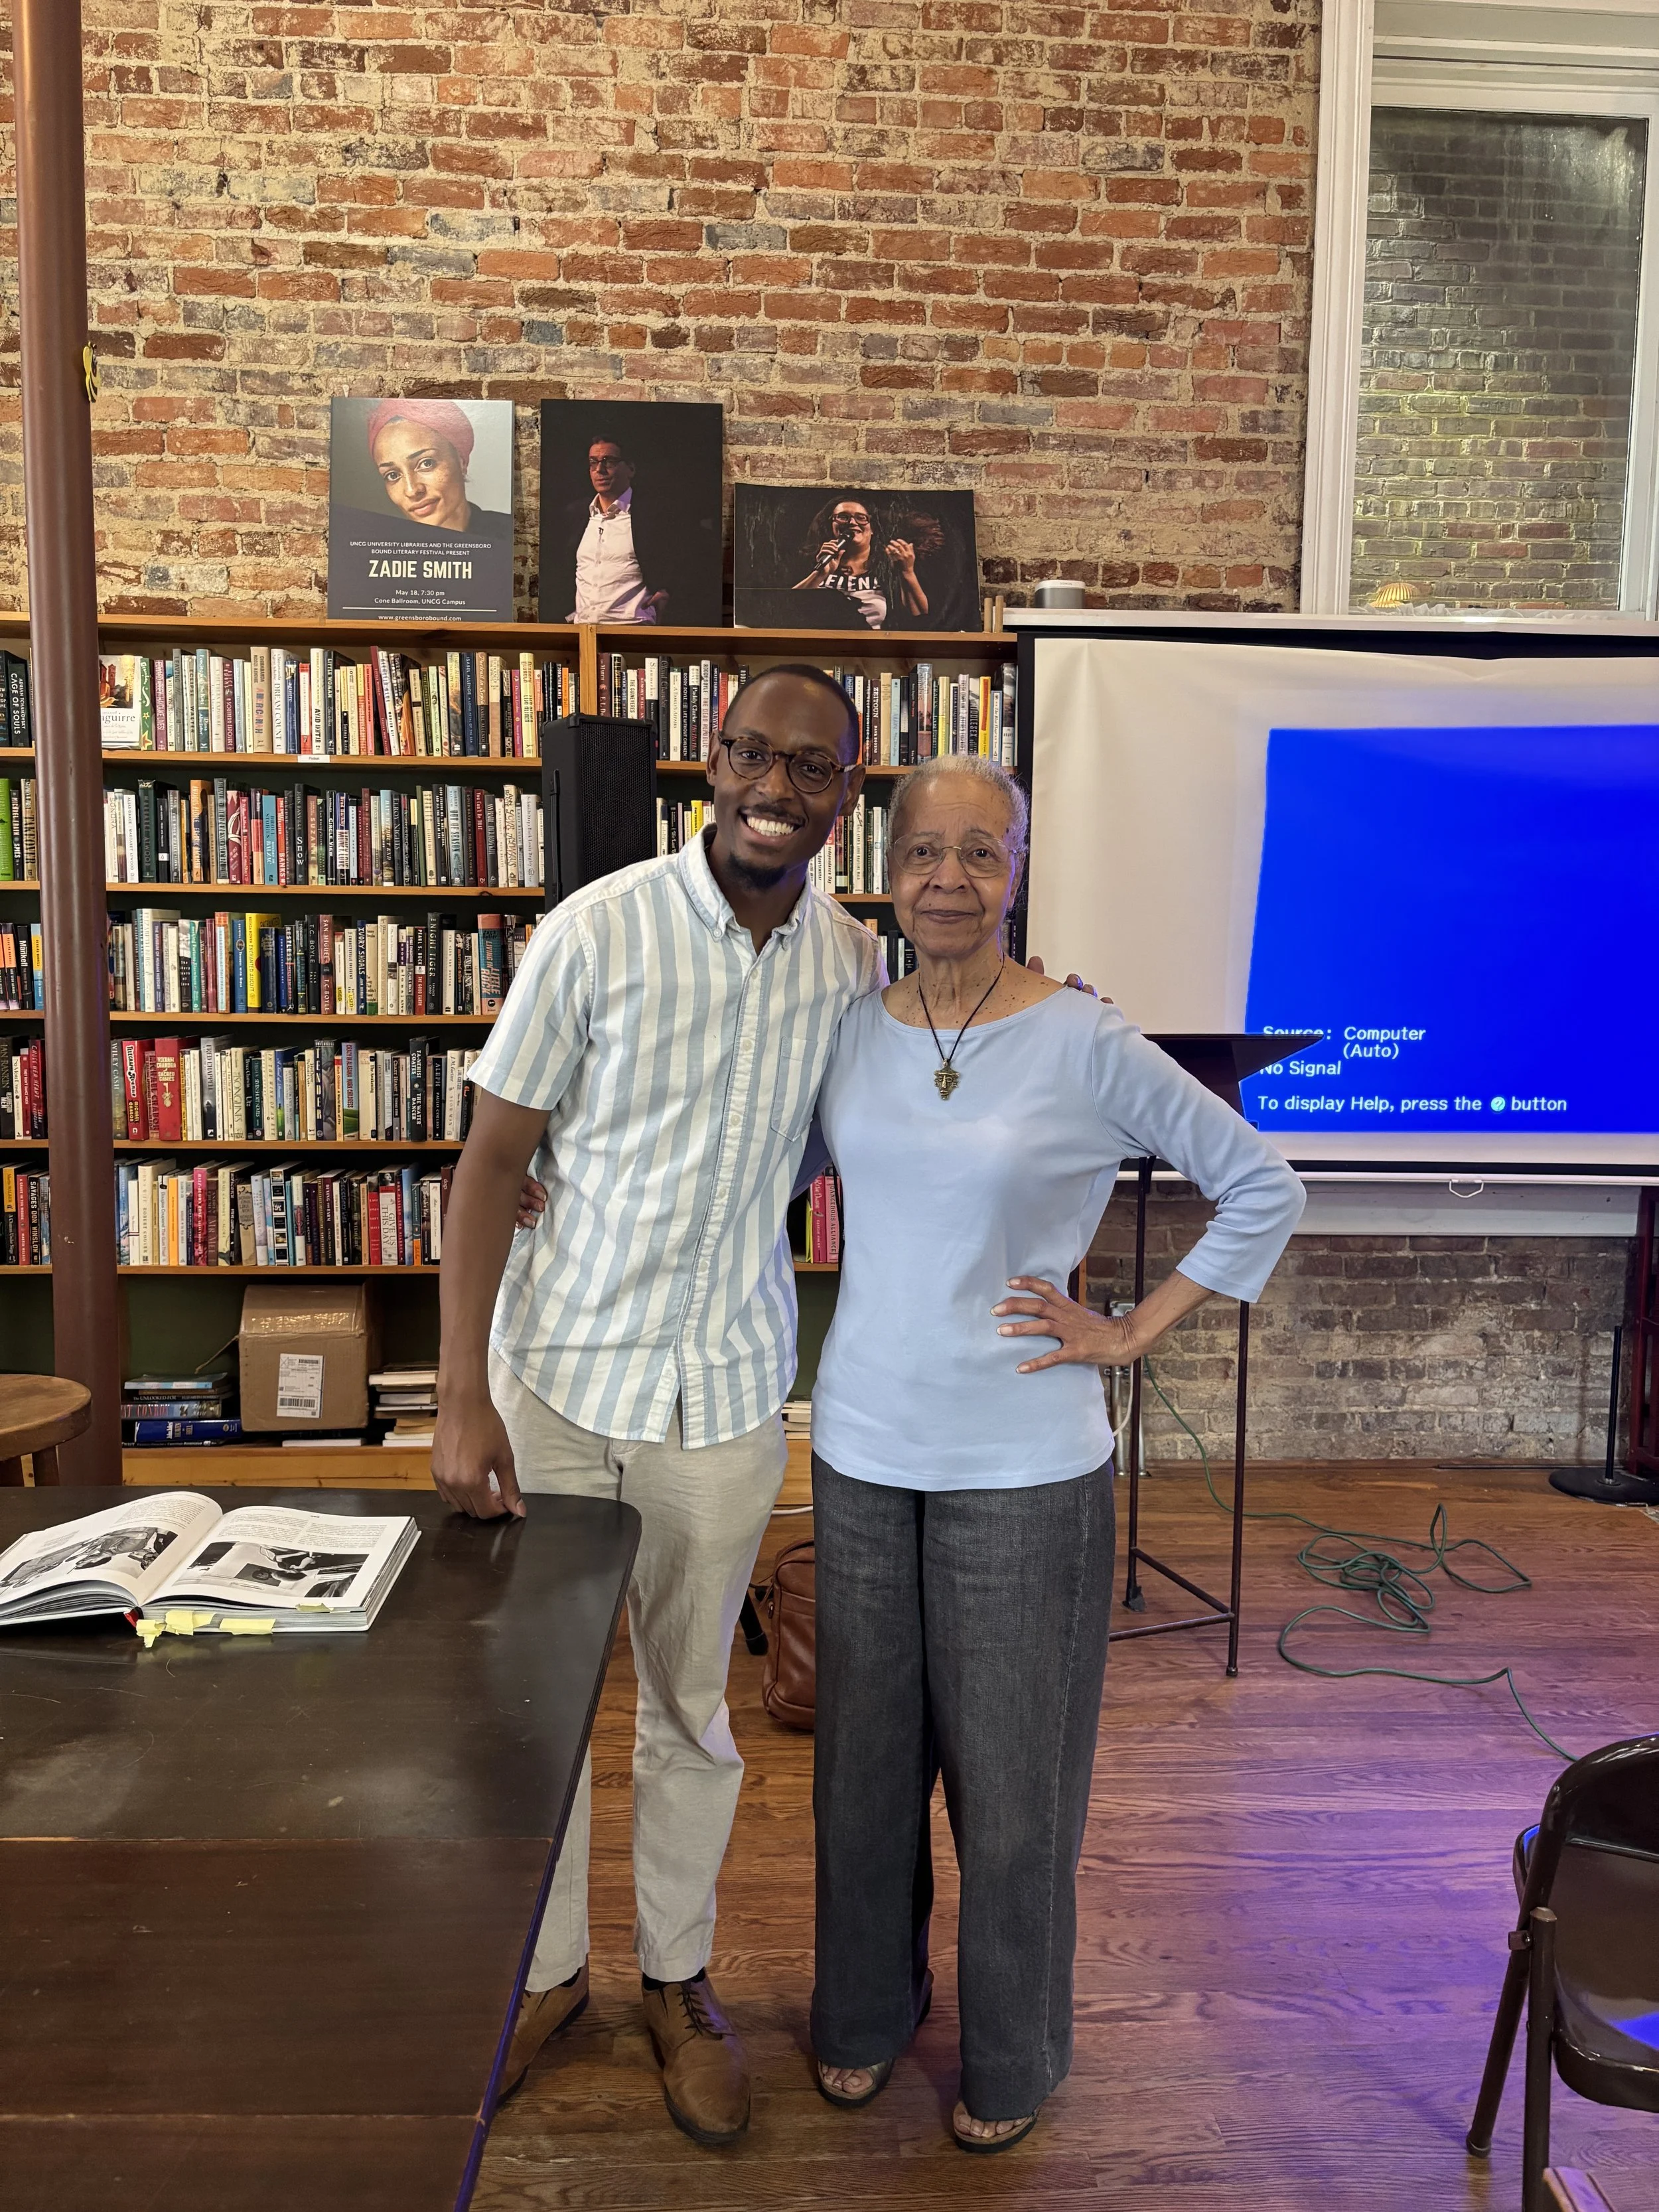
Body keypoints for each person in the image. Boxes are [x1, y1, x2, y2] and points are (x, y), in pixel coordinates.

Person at [804, 754, 1305, 2153]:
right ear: (884, 866)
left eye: (979, 852)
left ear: (1015, 865)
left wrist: (1131, 1327)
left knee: (1015, 1792)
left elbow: (1262, 1180)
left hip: (1024, 1460)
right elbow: (747, 1165)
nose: (948, 879)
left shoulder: (1084, 1039)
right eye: (922, 852)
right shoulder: (850, 1027)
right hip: (857, 1444)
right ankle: (860, 2012)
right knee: (860, 1768)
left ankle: (1011, 2051)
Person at [431, 664, 881, 2146]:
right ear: (710, 757)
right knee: (542, 1711)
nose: (773, 785)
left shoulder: (846, 967)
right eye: (750, 752)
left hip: (726, 1395)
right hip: (555, 1380)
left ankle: (678, 1981)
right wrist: (458, 1402)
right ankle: (549, 1973)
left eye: (807, 766)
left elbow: (886, 1140)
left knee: (692, 1707)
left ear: (843, 792)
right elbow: (492, 1164)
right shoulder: (597, 931)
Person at [549, 433, 691, 623]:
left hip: (633, 630)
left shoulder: (654, 515)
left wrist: (668, 594)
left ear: (630, 469)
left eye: (609, 462)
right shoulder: (576, 514)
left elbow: (686, 563)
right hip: (583, 632)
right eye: (594, 462)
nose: (600, 470)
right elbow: (563, 571)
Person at [363, 398, 512, 544]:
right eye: (393, 475)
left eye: (427, 463)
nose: (412, 491)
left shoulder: (509, 535)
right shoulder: (382, 550)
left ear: (461, 461)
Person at [792, 496, 930, 629]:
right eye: (843, 517)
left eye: (861, 518)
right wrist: (819, 574)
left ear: (872, 529)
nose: (852, 523)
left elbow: (920, 617)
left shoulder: (890, 565)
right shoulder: (815, 561)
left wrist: (908, 572)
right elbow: (787, 609)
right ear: (831, 526)